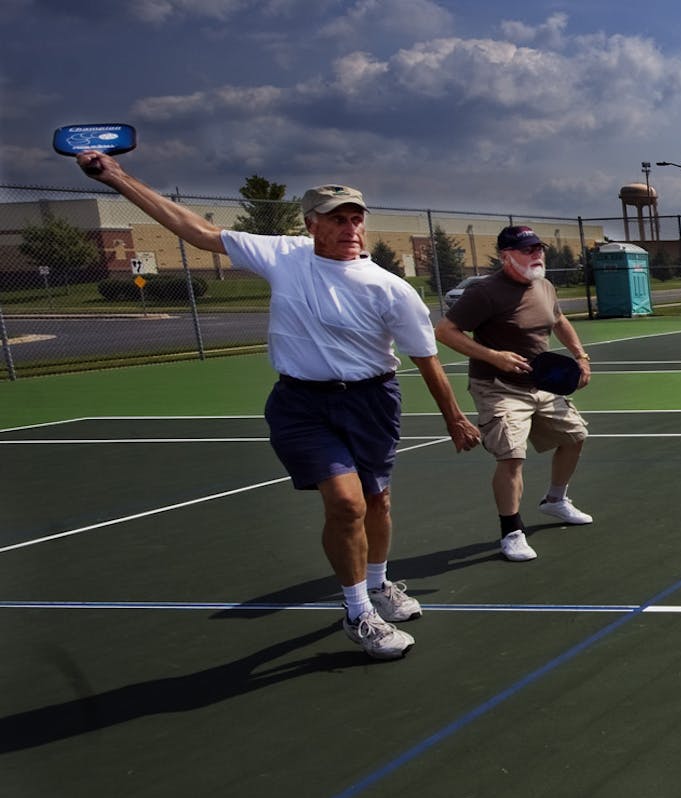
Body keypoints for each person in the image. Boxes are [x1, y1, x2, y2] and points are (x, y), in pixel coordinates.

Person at [71, 149, 481, 661]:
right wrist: (115, 176)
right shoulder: (282, 254)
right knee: (347, 502)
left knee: (377, 501)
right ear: (312, 225)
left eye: (356, 218)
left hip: (372, 400)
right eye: (338, 219)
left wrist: (455, 417)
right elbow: (196, 230)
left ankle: (378, 584)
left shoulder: (391, 288)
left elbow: (426, 360)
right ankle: (358, 612)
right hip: (301, 404)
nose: (351, 227)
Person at [435, 226, 596, 562]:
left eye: (539, 248)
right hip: (498, 388)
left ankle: (555, 500)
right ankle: (512, 531)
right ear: (506, 255)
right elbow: (445, 332)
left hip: (542, 384)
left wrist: (580, 356)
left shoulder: (544, 285)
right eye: (527, 249)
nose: (536, 254)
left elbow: (559, 320)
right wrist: (493, 356)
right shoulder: (485, 292)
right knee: (511, 456)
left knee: (575, 436)